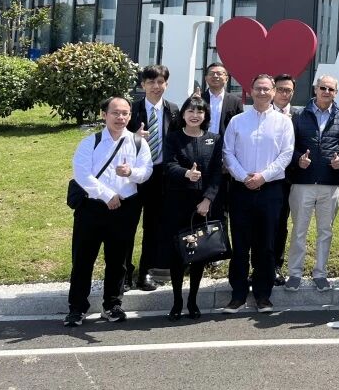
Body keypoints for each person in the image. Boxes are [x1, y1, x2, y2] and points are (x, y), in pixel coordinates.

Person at [64, 96, 153, 327]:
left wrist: (131, 173)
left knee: (118, 260)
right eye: (115, 113)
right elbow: (82, 174)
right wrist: (107, 195)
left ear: (130, 116)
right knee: (83, 259)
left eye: (125, 113)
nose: (120, 117)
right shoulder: (90, 142)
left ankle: (112, 304)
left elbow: (146, 171)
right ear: (104, 115)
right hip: (91, 209)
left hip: (126, 208)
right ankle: (77, 308)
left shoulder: (138, 143)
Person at [221, 74, 294, 314]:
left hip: (270, 189)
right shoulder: (238, 121)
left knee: (267, 244)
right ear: (250, 91)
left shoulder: (283, 123)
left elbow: (286, 155)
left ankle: (263, 295)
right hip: (241, 190)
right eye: (258, 89)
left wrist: (262, 177)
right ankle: (238, 295)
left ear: (273, 92)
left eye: (266, 89)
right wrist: (244, 177)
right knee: (241, 244)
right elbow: (227, 152)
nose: (262, 93)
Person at [284, 75, 339, 293]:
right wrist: (298, 160)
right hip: (302, 182)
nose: (326, 92)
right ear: (315, 89)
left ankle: (320, 274)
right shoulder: (298, 114)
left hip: (330, 184)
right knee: (299, 231)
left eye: (331, 89)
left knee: (325, 231)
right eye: (323, 88)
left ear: (336, 93)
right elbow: (289, 146)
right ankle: (294, 273)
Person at [161, 95, 223, 321]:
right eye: (190, 111)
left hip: (203, 206)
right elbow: (168, 165)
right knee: (178, 254)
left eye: (199, 111)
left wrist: (208, 200)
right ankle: (177, 301)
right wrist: (186, 173)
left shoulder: (214, 139)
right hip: (178, 204)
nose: (195, 115)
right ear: (183, 114)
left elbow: (216, 173)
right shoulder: (174, 138)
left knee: (200, 254)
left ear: (206, 115)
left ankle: (193, 301)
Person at [125, 64, 179, 292]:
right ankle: (124, 273)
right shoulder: (131, 110)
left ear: (166, 84)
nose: (156, 86)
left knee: (153, 226)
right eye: (150, 82)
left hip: (160, 176)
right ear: (143, 85)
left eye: (160, 82)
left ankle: (146, 272)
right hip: (133, 176)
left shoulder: (173, 110)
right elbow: (116, 139)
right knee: (127, 225)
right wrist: (133, 138)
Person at [270, 73, 302, 286]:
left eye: (288, 90)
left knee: (281, 223)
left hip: (290, 179)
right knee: (263, 224)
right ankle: (259, 266)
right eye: (280, 89)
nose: (284, 94)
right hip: (265, 178)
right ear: (273, 90)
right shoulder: (262, 113)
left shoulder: (299, 116)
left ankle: (275, 265)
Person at [202, 62, 244, 137]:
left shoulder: (235, 101)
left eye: (219, 73)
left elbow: (240, 126)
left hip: (225, 143)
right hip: (201, 142)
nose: (215, 76)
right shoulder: (199, 99)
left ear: (226, 78)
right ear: (206, 78)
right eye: (211, 73)